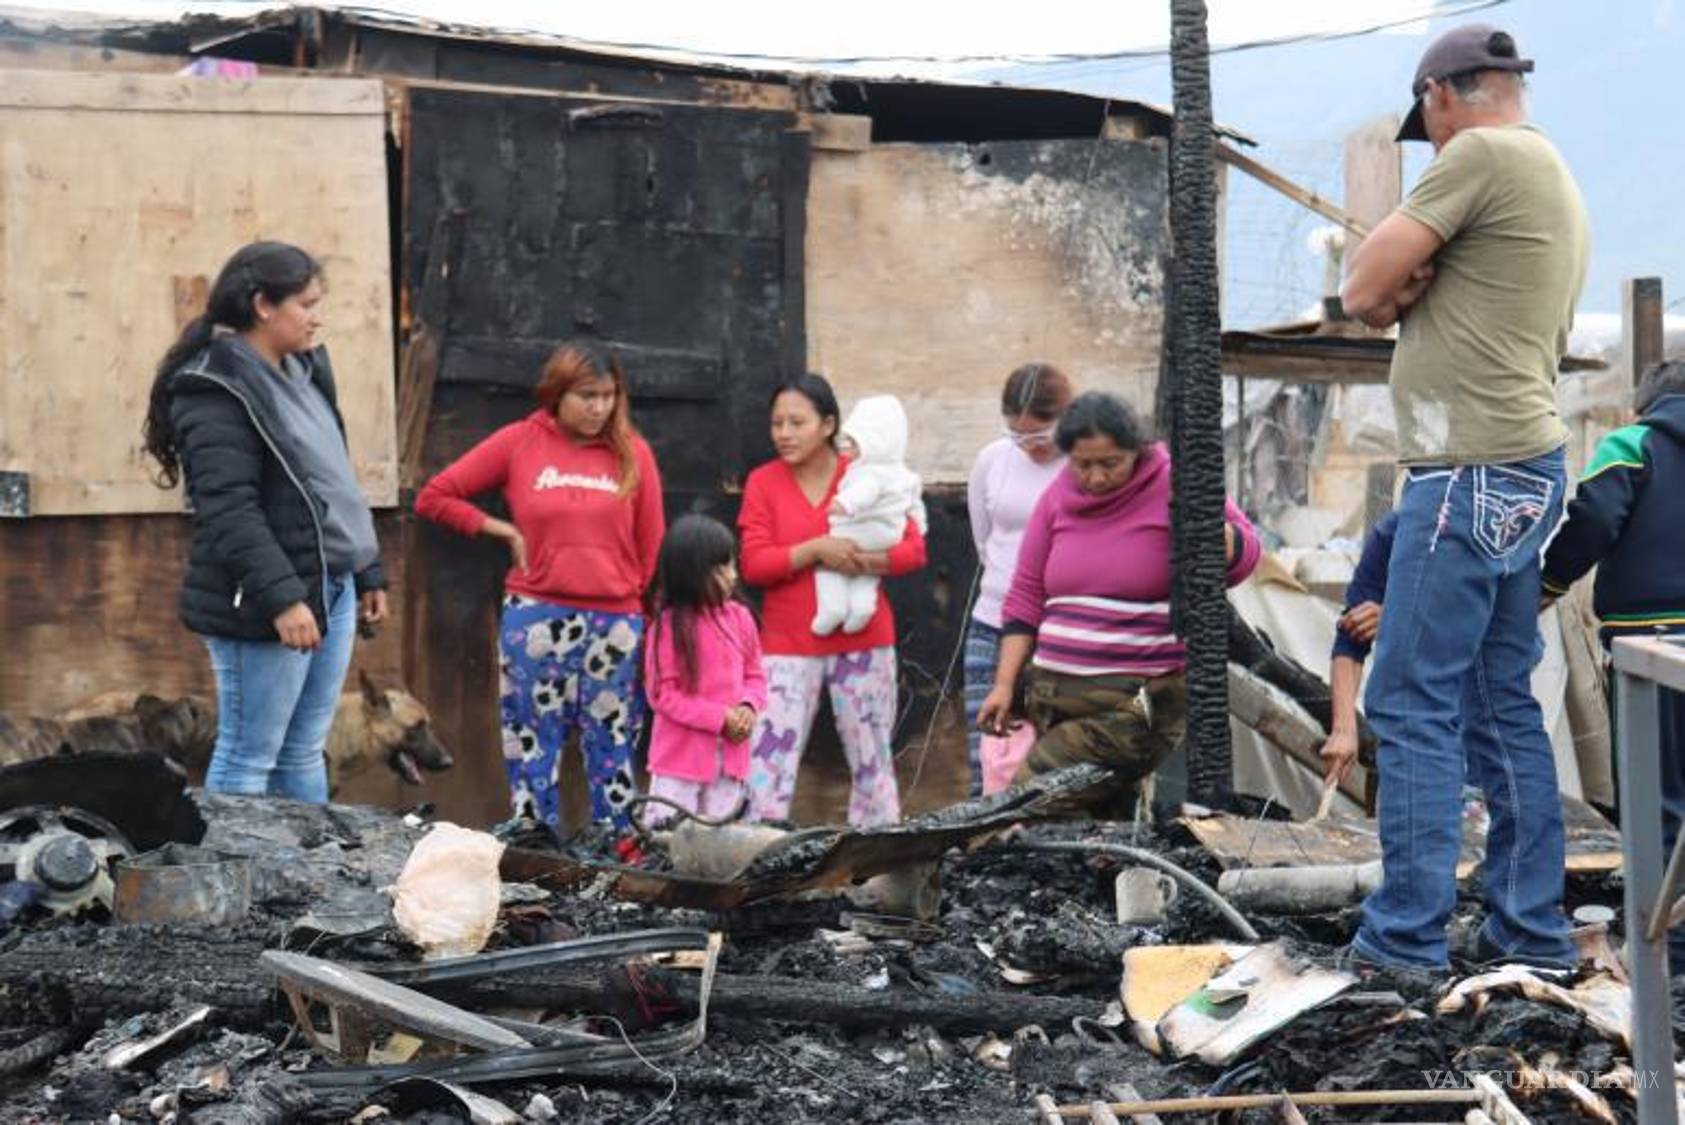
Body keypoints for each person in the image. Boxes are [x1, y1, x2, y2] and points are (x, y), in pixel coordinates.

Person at [1337, 22, 1589, 973]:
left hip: (1466, 468)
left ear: (1440, 95)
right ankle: (1531, 931)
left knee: (1406, 698)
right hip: (1526, 467)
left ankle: (1402, 939)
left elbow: (1360, 288)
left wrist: (1395, 286)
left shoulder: (1478, 153)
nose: (1431, 141)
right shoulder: (1550, 170)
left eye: (1427, 123)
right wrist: (1410, 286)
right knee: (1497, 702)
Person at [141, 241, 389, 802]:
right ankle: (238, 883)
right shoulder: (214, 388)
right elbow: (228, 507)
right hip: (265, 599)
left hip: (332, 583)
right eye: (306, 303)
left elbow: (332, 480)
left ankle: (305, 884)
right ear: (262, 306)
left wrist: (368, 567)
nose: (317, 316)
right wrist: (282, 598)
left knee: (303, 748)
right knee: (251, 754)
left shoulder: (305, 370)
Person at [415, 346, 664, 832]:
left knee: (612, 746)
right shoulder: (519, 442)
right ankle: (538, 854)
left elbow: (652, 545)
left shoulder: (633, 451)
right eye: (586, 396)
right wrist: (500, 529)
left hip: (615, 624)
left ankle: (620, 857)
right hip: (536, 617)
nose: (599, 408)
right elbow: (435, 497)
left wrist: (638, 608)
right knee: (531, 746)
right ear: (556, 394)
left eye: (608, 396)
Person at [977, 392, 1260, 793]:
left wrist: (1224, 541)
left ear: (1137, 451)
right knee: (1090, 826)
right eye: (1082, 465)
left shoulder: (1173, 482)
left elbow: (1247, 549)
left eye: (1110, 464)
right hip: (1055, 699)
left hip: (1135, 709)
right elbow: (1025, 595)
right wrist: (1005, 685)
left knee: (1030, 794)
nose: (1095, 477)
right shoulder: (1057, 496)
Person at [1542, 361, 1685, 971]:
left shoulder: (1633, 444)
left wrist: (1548, 581)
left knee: (1658, 798)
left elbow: (1596, 516)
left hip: (1648, 647)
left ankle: (1669, 953)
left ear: (1643, 406)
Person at [738, 374, 927, 826]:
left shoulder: (865, 474)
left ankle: (877, 867)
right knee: (767, 764)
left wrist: (862, 561)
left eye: (796, 422)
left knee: (872, 763)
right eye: (777, 423)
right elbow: (754, 565)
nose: (784, 433)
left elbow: (913, 550)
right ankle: (758, 862)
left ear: (827, 425)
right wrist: (816, 550)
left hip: (864, 640)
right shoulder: (763, 482)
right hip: (786, 646)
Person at [965, 363, 1073, 797]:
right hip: (993, 620)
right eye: (1018, 436)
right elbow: (983, 537)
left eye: (1041, 436)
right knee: (988, 752)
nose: (1030, 447)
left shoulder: (1082, 464)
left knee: (1051, 759)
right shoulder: (992, 460)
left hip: (1060, 629)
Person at [641, 514, 768, 826]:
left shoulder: (740, 618)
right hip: (679, 766)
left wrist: (748, 707)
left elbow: (755, 675)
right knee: (668, 843)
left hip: (731, 763)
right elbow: (663, 695)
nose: (733, 575)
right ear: (692, 573)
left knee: (722, 847)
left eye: (732, 565)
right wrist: (719, 718)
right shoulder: (668, 626)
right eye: (722, 567)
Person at [814, 394, 927, 636]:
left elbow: (862, 494)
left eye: (855, 442)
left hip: (858, 531)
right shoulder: (902, 473)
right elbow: (915, 505)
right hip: (888, 534)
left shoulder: (868, 472)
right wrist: (920, 524)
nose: (849, 449)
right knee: (867, 580)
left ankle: (832, 609)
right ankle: (862, 609)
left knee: (828, 569)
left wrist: (842, 504)